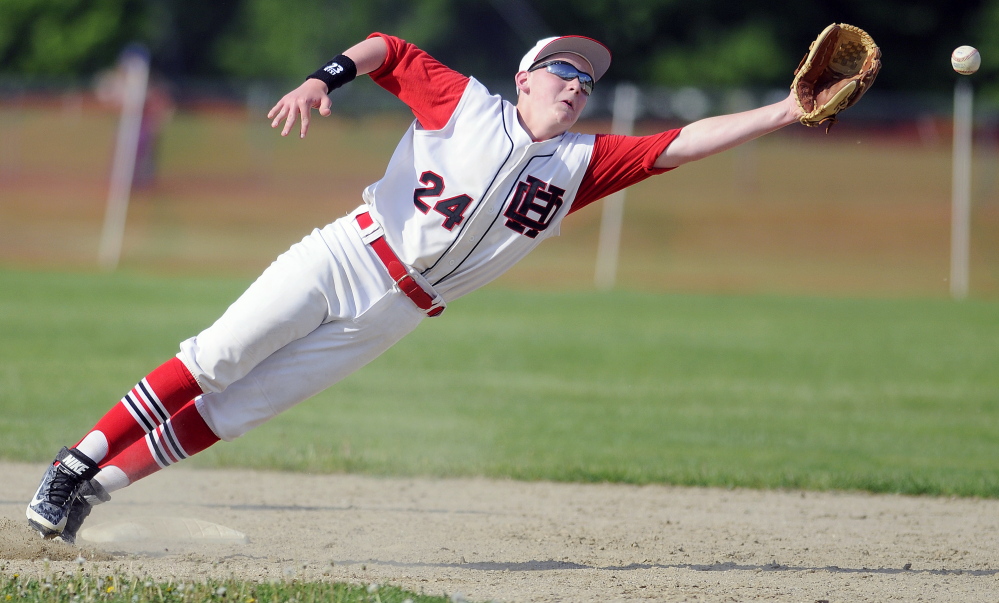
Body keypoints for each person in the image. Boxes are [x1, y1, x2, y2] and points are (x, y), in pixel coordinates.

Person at [27, 32, 806, 543]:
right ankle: (72, 464)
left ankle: (95, 493)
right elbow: (388, 49)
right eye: (562, 70)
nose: (576, 84)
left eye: (587, 79)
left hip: (398, 312)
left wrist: (783, 110)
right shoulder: (465, 103)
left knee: (242, 408)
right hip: (348, 252)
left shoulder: (577, 166)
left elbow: (682, 143)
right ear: (524, 79)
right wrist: (319, 79)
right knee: (219, 355)